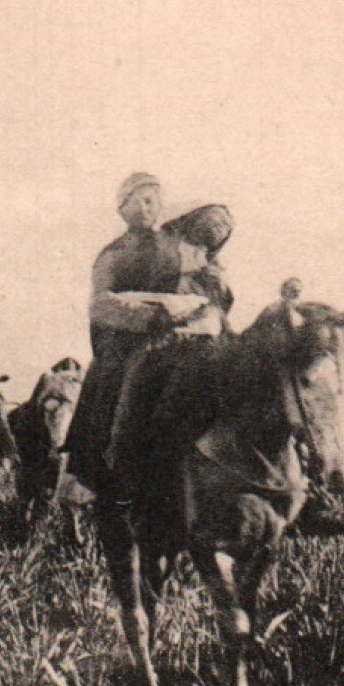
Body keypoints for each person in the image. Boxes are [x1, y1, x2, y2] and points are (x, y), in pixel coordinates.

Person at [103, 204, 235, 504]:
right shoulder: (160, 260)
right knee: (136, 390)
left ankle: (305, 481)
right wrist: (170, 305)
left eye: (209, 245)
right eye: (197, 242)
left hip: (211, 344)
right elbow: (127, 298)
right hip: (165, 344)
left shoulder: (213, 272)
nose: (200, 251)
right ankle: (126, 475)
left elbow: (222, 307)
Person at [64, 172, 184, 496]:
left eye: (154, 200)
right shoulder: (113, 255)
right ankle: (108, 473)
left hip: (178, 341)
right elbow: (100, 306)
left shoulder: (176, 249)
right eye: (141, 201)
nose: (148, 207)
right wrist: (150, 317)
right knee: (113, 391)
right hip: (128, 346)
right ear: (123, 209)